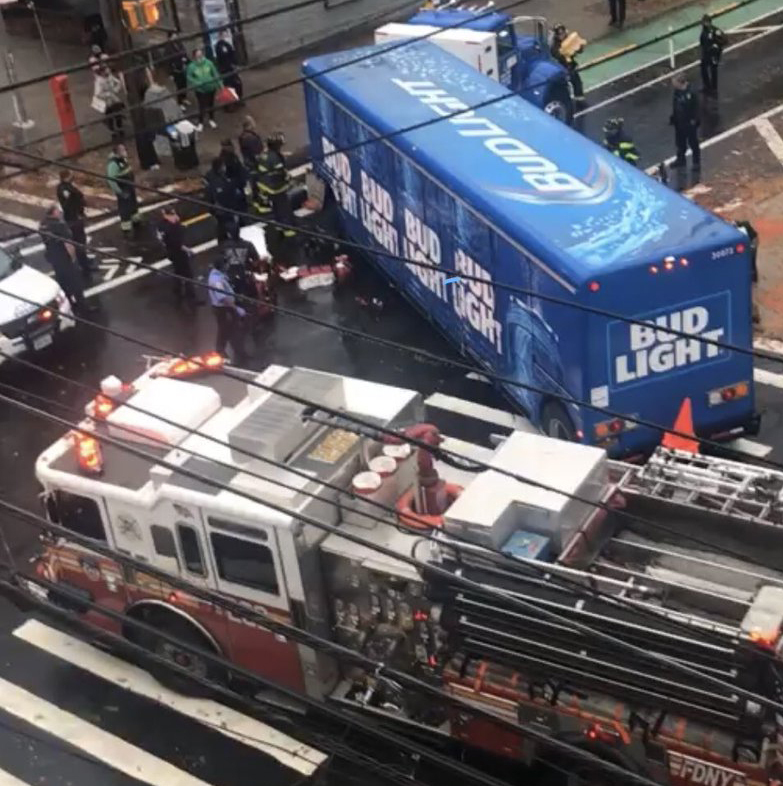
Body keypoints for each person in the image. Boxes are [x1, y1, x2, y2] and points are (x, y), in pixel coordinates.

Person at [39, 205, 95, 313]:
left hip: (54, 258)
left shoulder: (43, 226)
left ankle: (71, 303)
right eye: (58, 211)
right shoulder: (60, 225)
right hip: (64, 257)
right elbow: (68, 243)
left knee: (63, 282)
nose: (60, 213)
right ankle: (83, 307)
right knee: (76, 283)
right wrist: (73, 258)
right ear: (53, 213)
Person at [157, 206, 203, 307]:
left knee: (178, 272)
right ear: (166, 215)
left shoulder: (161, 225)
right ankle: (191, 298)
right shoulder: (172, 228)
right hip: (179, 253)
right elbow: (179, 244)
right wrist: (189, 251)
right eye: (172, 214)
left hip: (170, 252)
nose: (175, 216)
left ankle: (177, 293)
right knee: (188, 275)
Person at [56, 171, 97, 278]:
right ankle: (84, 265)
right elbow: (69, 203)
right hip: (73, 219)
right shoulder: (64, 189)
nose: (72, 177)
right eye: (70, 176)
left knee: (81, 241)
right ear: (65, 177)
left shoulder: (68, 186)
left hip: (76, 217)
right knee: (79, 242)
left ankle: (85, 261)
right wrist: (78, 207)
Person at [208, 254, 246, 362]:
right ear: (222, 265)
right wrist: (235, 308)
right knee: (225, 330)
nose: (228, 265)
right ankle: (221, 352)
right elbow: (223, 298)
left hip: (226, 307)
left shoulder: (219, 275)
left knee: (230, 329)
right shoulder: (216, 281)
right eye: (226, 264)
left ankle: (238, 351)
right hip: (223, 309)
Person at [257, 132, 295, 239]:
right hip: (276, 188)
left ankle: (279, 226)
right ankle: (289, 231)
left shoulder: (265, 154)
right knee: (284, 209)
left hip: (266, 186)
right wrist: (288, 180)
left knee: (276, 208)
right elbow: (280, 173)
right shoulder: (275, 159)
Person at [107, 144, 142, 236]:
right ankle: (126, 228)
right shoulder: (113, 164)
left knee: (133, 204)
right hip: (123, 189)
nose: (125, 151)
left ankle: (136, 220)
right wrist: (120, 192)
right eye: (123, 150)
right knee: (125, 208)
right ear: (118, 152)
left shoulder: (122, 159)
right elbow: (111, 180)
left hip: (129, 187)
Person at [186, 48, 222, 131]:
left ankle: (211, 119)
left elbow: (215, 73)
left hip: (211, 87)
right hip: (200, 90)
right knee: (202, 106)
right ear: (194, 56)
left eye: (201, 55)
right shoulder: (191, 66)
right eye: (198, 55)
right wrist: (197, 83)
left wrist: (220, 85)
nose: (200, 57)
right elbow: (189, 77)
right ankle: (201, 122)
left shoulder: (209, 63)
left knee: (211, 104)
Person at [204, 157, 239, 241]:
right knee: (230, 226)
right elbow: (227, 197)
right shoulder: (221, 182)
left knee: (221, 227)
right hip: (225, 210)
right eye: (223, 166)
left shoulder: (209, 176)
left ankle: (223, 240)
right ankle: (233, 240)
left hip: (217, 210)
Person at [670, 74, 701, 169]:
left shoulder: (691, 93)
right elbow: (675, 105)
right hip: (679, 122)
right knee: (680, 143)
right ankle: (681, 159)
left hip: (689, 123)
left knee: (693, 143)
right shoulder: (677, 92)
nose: (673, 85)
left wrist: (694, 121)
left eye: (674, 83)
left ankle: (696, 163)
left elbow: (696, 108)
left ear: (680, 83)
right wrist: (674, 117)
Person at [550, 24, 584, 103]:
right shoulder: (554, 45)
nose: (561, 36)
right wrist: (565, 53)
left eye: (563, 33)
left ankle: (579, 98)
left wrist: (579, 47)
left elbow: (579, 50)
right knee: (563, 86)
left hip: (570, 65)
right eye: (559, 34)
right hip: (560, 66)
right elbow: (556, 55)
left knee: (576, 81)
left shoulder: (569, 40)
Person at [735, 219, 760, 323]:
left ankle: (754, 317)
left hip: (749, 274)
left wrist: (752, 247)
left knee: (751, 294)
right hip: (742, 273)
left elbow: (755, 238)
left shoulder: (744, 227)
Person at [93, 64, 126, 142]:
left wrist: (115, 89)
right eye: (106, 69)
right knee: (110, 117)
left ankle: (120, 129)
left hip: (114, 99)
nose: (108, 71)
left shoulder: (110, 76)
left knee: (118, 114)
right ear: (102, 72)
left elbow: (118, 83)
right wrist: (108, 94)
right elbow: (97, 94)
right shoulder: (99, 81)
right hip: (106, 102)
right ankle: (113, 132)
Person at [700, 15, 726, 97]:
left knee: (713, 70)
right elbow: (702, 42)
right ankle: (707, 86)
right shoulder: (704, 31)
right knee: (703, 68)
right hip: (706, 53)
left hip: (714, 54)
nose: (704, 24)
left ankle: (714, 88)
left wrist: (717, 47)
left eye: (705, 22)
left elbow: (724, 39)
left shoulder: (715, 30)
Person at [214, 30, 243, 104]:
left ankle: (238, 99)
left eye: (225, 35)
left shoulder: (227, 44)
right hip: (225, 69)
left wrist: (235, 64)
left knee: (237, 83)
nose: (224, 37)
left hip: (231, 68)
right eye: (223, 35)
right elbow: (222, 56)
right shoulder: (219, 46)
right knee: (228, 86)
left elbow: (232, 54)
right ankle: (230, 102)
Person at [162, 32, 189, 110]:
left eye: (175, 36)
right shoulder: (168, 48)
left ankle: (184, 98)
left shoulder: (179, 43)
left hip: (183, 67)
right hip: (176, 70)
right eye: (173, 36)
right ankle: (180, 103)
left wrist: (186, 59)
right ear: (169, 38)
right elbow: (167, 62)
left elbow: (184, 52)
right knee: (179, 86)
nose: (175, 37)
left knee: (184, 84)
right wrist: (170, 74)